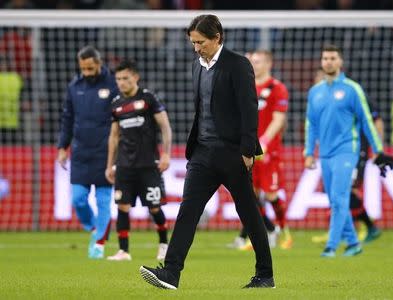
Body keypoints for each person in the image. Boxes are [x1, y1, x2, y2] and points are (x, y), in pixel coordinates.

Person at [139, 14, 274, 289]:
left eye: (200, 42)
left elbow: (249, 110)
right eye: (193, 42)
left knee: (248, 213)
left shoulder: (238, 65)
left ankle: (265, 275)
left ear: (217, 38)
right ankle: (171, 273)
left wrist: (248, 151)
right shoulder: (196, 66)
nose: (196, 47)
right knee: (188, 211)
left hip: (233, 153)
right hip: (202, 153)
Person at [304, 44, 393, 258]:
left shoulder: (352, 89)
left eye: (333, 58)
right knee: (334, 199)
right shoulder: (314, 92)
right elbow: (311, 124)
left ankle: (331, 246)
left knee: (339, 196)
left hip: (347, 150)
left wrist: (378, 150)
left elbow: (367, 121)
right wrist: (309, 152)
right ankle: (354, 243)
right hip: (325, 153)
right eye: (325, 58)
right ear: (321, 61)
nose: (328, 62)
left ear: (340, 62)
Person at [105, 59, 172, 262]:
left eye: (125, 78)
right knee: (122, 207)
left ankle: (163, 245)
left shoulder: (148, 98)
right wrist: (109, 165)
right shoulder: (116, 104)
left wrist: (166, 154)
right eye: (118, 79)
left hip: (148, 165)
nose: (121, 82)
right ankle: (123, 251)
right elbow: (114, 136)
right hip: (125, 166)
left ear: (135, 77)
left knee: (154, 207)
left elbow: (165, 126)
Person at [57, 45, 118, 259]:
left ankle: (99, 244)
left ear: (99, 64)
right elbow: (67, 119)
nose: (87, 73)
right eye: (84, 69)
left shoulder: (113, 83)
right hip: (81, 152)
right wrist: (62, 147)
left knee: (103, 201)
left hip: (106, 152)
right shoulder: (75, 86)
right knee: (78, 200)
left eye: (91, 68)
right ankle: (93, 227)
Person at [311, 69, 384, 244]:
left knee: (347, 190)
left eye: (319, 78)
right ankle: (345, 230)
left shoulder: (352, 93)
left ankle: (369, 227)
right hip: (335, 151)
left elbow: (377, 120)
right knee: (337, 191)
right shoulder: (321, 99)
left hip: (356, 149)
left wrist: (377, 148)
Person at [229, 50, 292, 250]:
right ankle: (264, 232)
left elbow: (279, 119)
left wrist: (264, 140)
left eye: (257, 62)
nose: (253, 65)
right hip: (247, 150)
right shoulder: (245, 87)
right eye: (251, 62)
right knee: (251, 196)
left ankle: (284, 231)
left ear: (268, 64)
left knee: (271, 195)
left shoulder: (277, 88)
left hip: (269, 152)